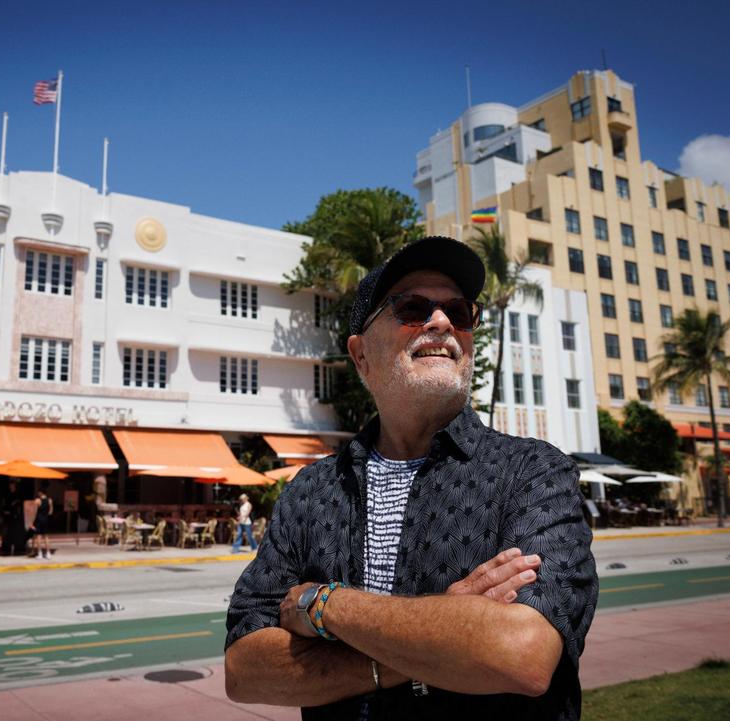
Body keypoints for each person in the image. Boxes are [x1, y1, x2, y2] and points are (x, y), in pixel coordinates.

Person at [224, 236, 598, 720]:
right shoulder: (310, 492)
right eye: (413, 307)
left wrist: (326, 607)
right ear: (361, 356)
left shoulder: (534, 473)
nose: (441, 322)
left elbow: (521, 654)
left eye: (459, 312)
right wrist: (444, 633)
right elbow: (244, 670)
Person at [0, 479, 25, 556]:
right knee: (7, 532)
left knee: (15, 532)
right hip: (7, 515)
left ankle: (18, 547)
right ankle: (6, 547)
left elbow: (20, 504)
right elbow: (4, 503)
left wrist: (15, 504)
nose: (11, 486)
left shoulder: (18, 494)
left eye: (12, 485)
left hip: (15, 515)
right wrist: (4, 510)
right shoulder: (7, 494)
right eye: (10, 485)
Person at [28, 485, 54, 559]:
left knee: (38, 537)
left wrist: (32, 522)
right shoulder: (50, 500)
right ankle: (48, 553)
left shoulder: (37, 500)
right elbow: (51, 512)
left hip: (39, 519)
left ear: (40, 492)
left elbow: (33, 511)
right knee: (46, 537)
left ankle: (40, 553)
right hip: (46, 519)